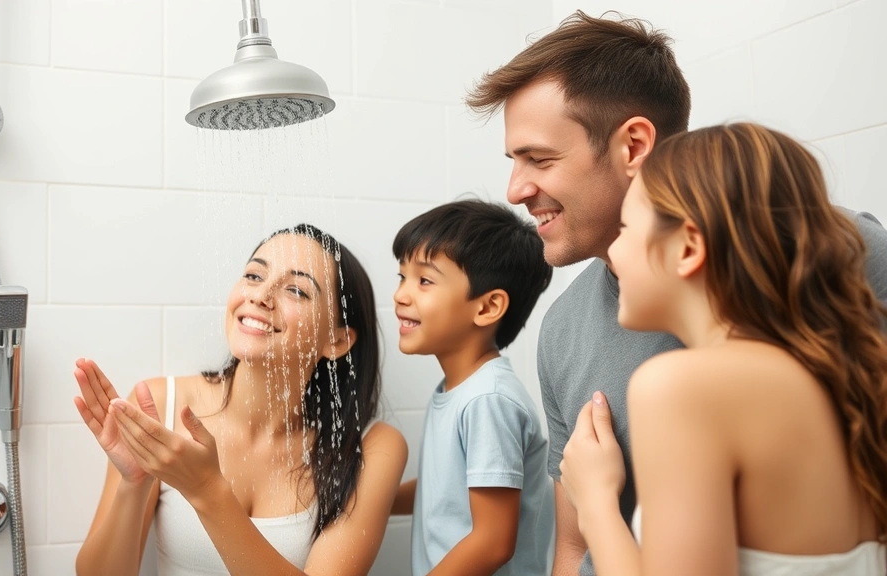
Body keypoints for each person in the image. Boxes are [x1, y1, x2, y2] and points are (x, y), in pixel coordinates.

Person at [465, 10, 887, 576]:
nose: (516, 190)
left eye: (539, 158)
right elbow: (573, 550)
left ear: (635, 144)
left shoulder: (841, 250)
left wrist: (597, 504)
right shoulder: (563, 327)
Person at [558, 122, 887, 574]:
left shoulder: (680, 386)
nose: (613, 255)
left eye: (626, 228)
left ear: (689, 247)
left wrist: (595, 505)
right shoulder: (836, 378)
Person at [72, 224, 408, 576]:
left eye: (296, 290)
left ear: (337, 341)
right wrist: (135, 484)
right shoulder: (159, 405)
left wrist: (207, 490)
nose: (261, 295)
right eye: (254, 275)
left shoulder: (371, 448)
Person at [388, 199, 554, 575]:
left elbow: (493, 541)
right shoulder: (460, 389)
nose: (401, 294)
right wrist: (372, 500)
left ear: (487, 307)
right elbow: (446, 495)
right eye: (402, 277)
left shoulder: (488, 400)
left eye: (424, 280)